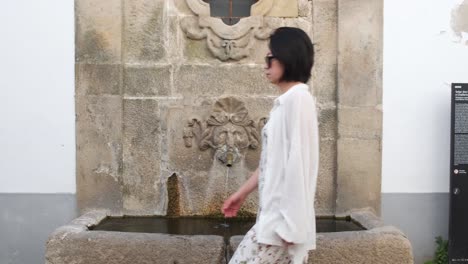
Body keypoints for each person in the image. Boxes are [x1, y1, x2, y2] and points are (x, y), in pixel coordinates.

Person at [221, 27, 320, 264]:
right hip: (270, 224)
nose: (265, 66)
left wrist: (292, 228)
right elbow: (271, 163)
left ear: (287, 57)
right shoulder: (285, 103)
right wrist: (241, 194)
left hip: (282, 229)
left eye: (269, 59)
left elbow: (299, 164)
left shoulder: (298, 100)